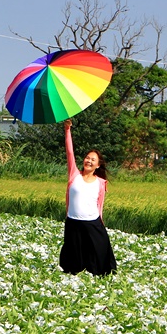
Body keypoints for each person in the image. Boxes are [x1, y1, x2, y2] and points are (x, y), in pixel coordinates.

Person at [58, 118, 117, 276]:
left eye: (93, 160)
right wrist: (67, 130)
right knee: (73, 259)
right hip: (73, 222)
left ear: (98, 165)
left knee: (99, 253)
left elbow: (100, 205)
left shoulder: (100, 183)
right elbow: (70, 152)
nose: (88, 161)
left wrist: (101, 222)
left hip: (92, 222)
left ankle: (101, 276)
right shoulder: (74, 175)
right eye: (87, 158)